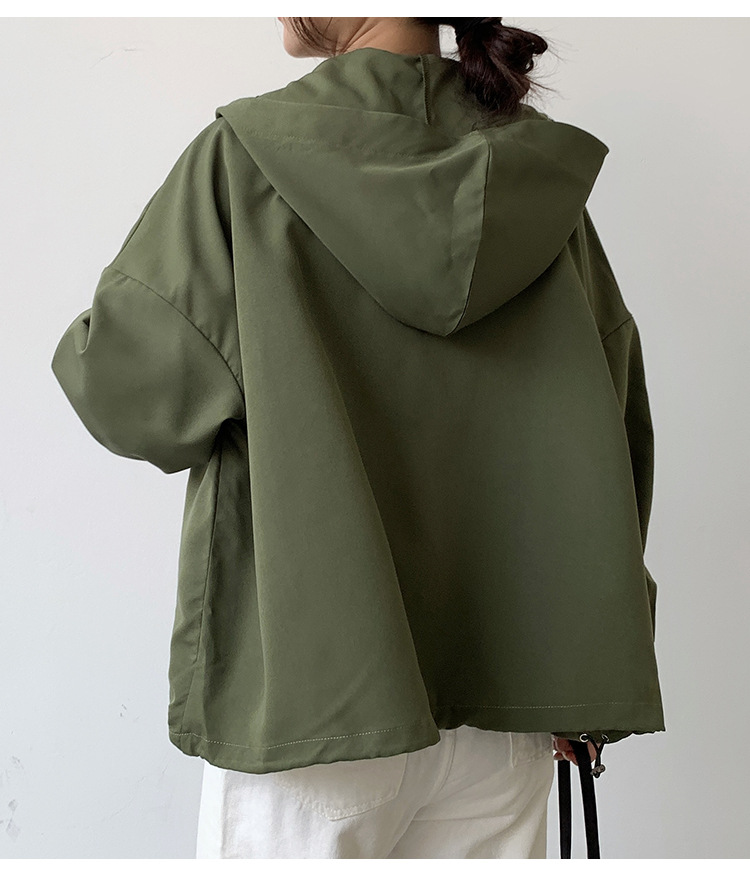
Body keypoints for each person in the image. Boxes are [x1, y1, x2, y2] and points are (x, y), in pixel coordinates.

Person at [50, 17, 665, 858]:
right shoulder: (537, 183)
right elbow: (616, 434)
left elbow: (123, 396)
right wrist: (586, 672)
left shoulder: (244, 162)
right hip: (509, 721)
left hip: (317, 712)